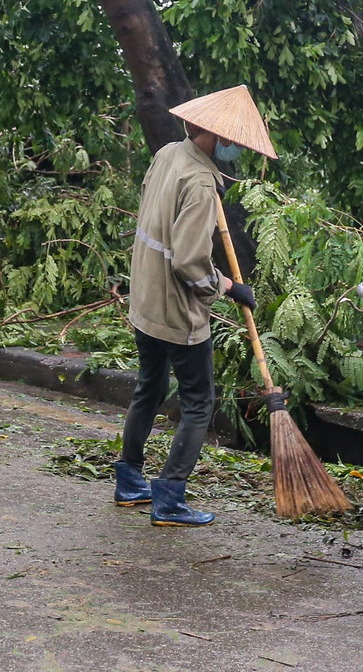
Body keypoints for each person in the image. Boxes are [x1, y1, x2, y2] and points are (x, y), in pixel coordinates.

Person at [112, 85, 278, 527]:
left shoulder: (168, 154)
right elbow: (188, 262)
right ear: (214, 135)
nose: (235, 150)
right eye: (233, 142)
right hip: (176, 313)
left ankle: (129, 480)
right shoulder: (202, 184)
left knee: (149, 387)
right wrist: (228, 286)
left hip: (145, 300)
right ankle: (169, 499)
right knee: (199, 403)